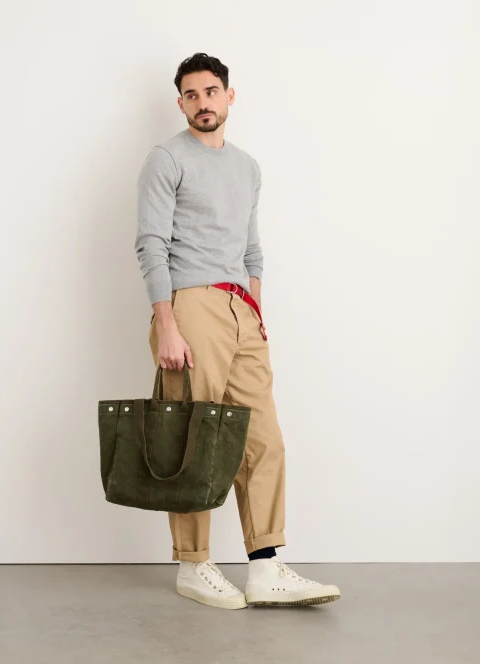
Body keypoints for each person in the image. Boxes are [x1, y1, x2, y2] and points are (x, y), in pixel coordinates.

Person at [134, 52, 341, 609]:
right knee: (193, 434)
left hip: (242, 309)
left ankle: (266, 565)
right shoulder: (165, 159)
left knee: (262, 437)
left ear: (229, 96)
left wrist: (256, 311)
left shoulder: (247, 167)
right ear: (181, 103)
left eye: (211, 92)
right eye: (191, 95)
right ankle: (193, 564)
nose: (202, 103)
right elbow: (151, 244)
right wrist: (167, 325)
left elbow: (251, 248)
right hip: (190, 305)